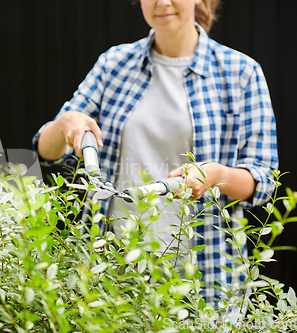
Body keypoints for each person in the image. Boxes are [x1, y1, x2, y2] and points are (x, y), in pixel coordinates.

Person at [32, 0, 278, 306]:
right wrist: (64, 124)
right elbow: (47, 152)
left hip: (203, 278)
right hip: (111, 272)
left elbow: (264, 179)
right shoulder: (115, 63)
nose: (162, 2)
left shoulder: (241, 73)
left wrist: (217, 176)